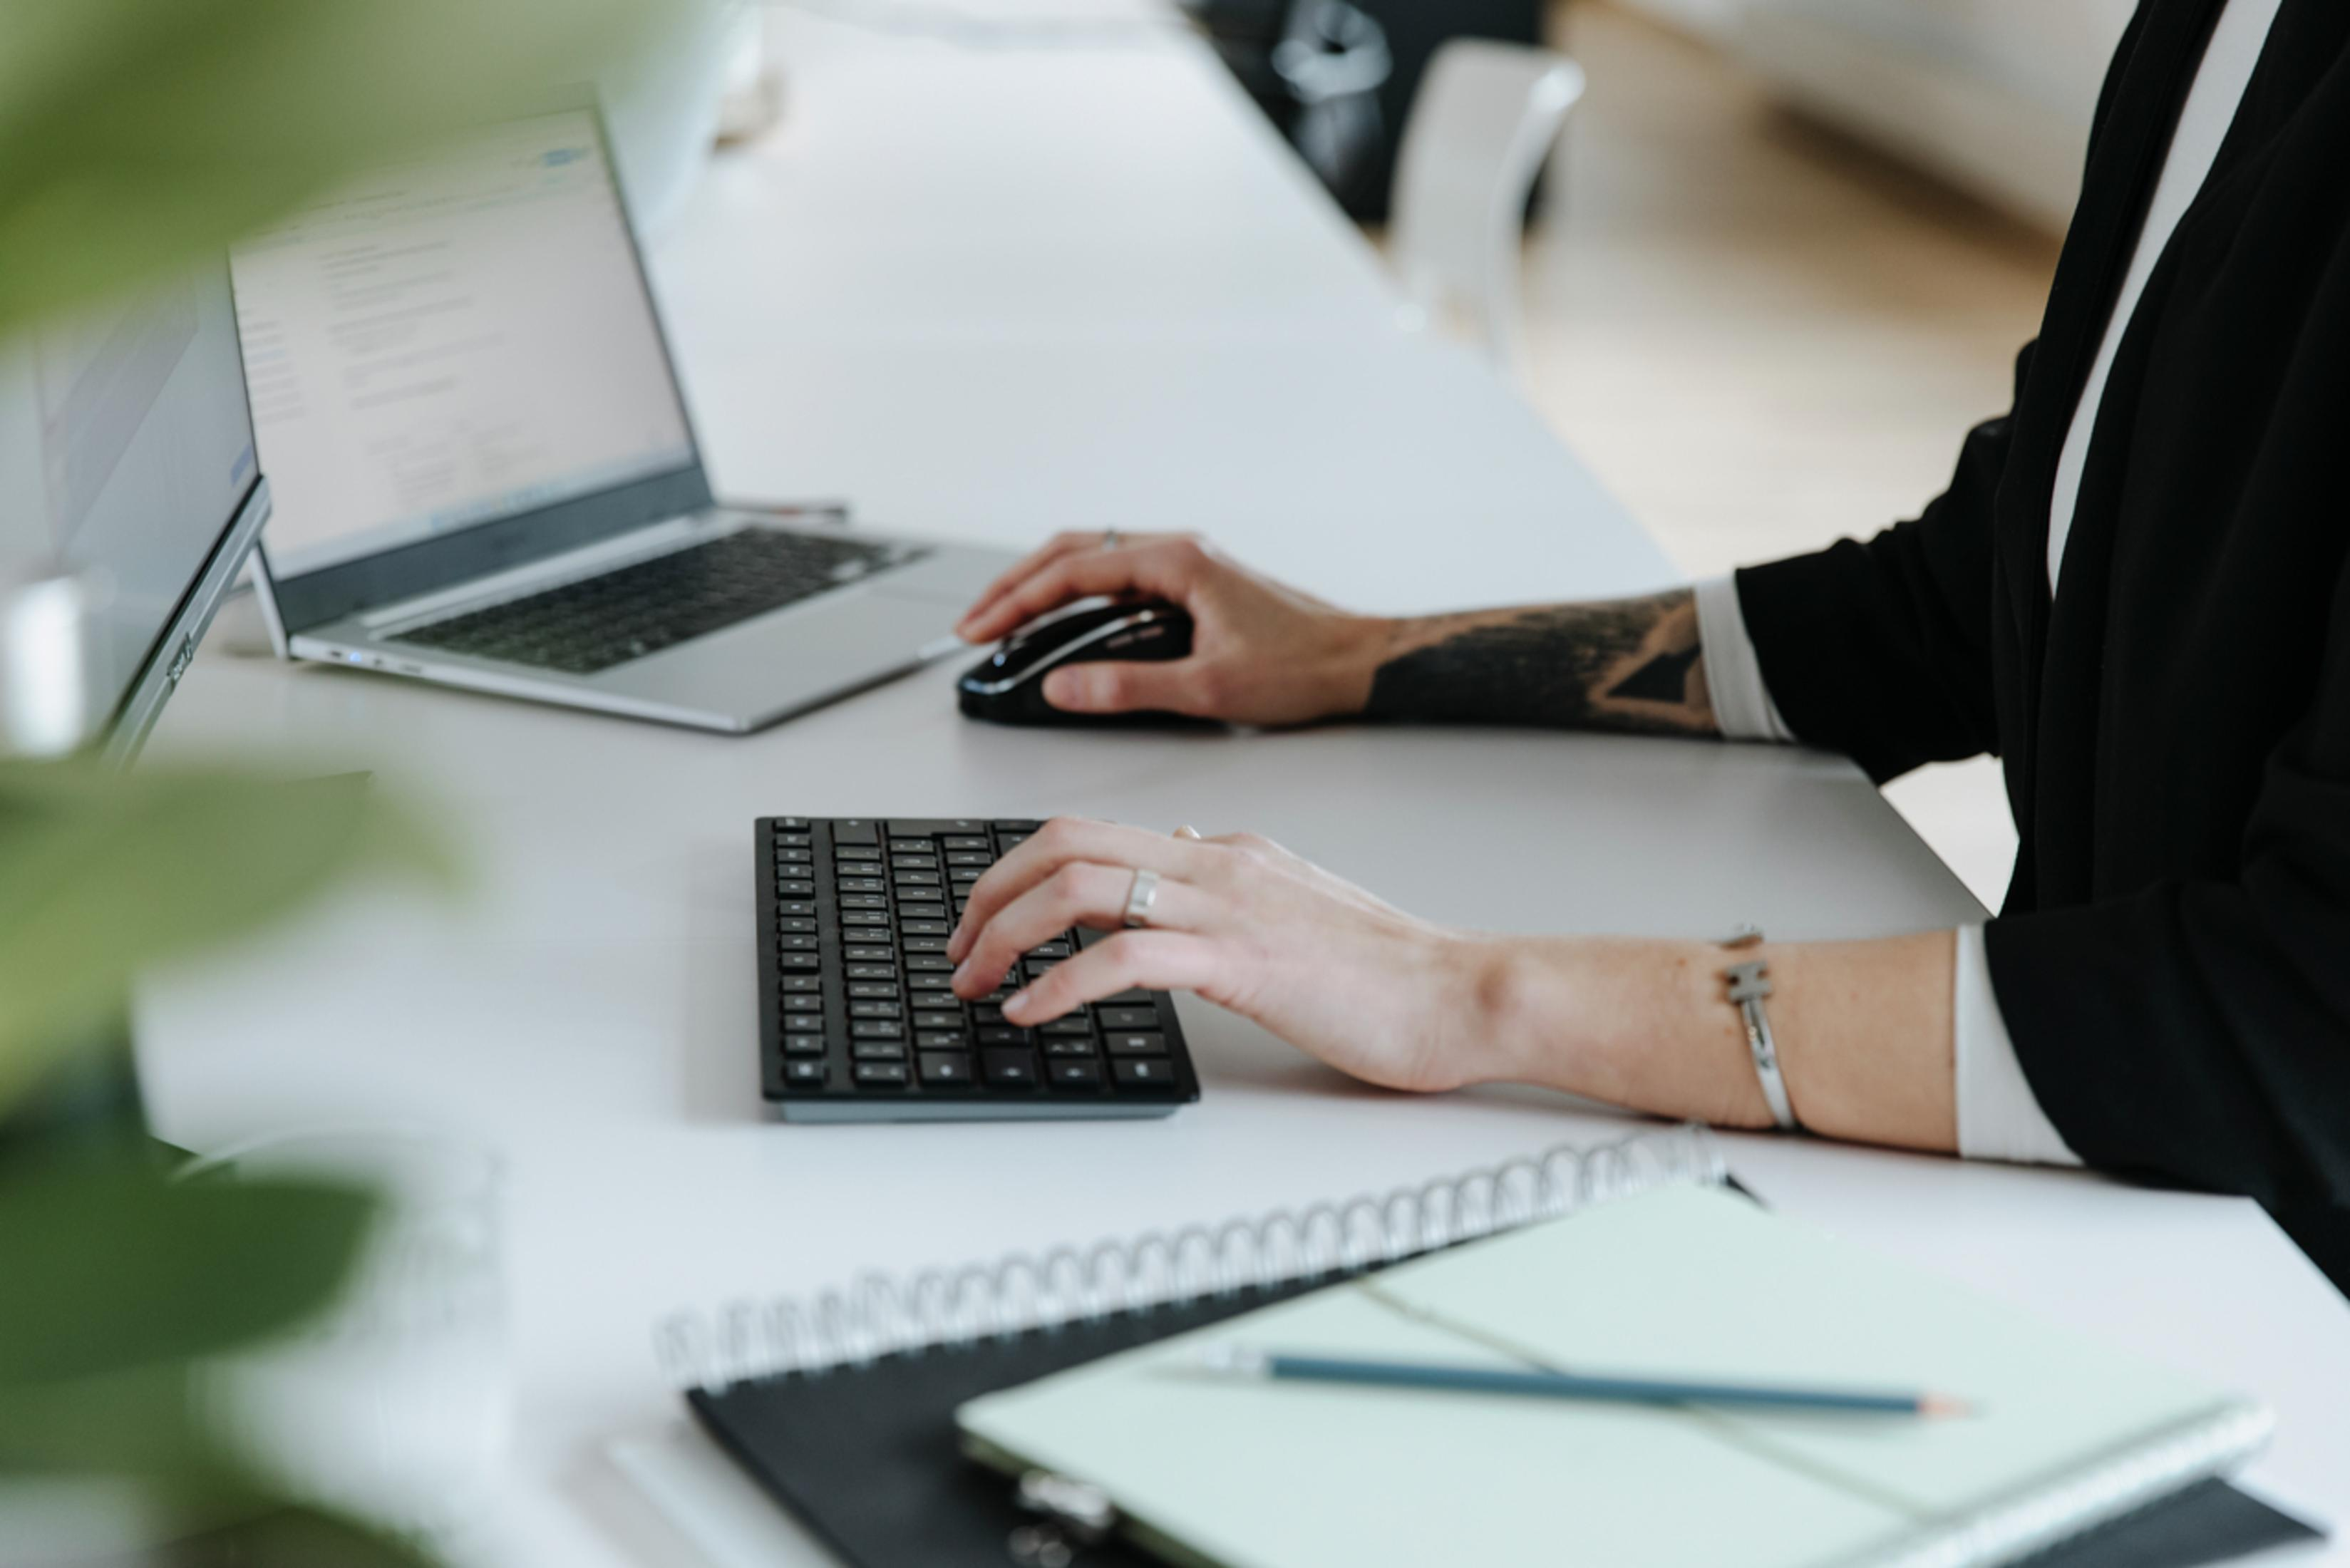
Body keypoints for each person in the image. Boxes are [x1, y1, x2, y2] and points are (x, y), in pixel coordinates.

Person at [944, 0, 2350, 1289]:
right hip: (2112, 1232)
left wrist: (1468, 993)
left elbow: (2296, 1016)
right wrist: (1357, 657)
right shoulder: (2211, 30)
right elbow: (1961, 600)